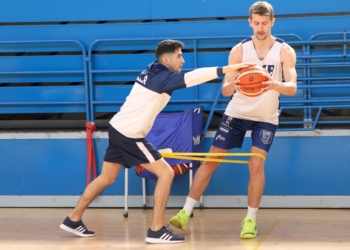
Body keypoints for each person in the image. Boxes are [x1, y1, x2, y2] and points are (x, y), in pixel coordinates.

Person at [59, 39, 253, 244]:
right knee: (166, 173)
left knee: (106, 178)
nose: (183, 60)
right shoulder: (161, 77)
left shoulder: (154, 70)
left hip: (118, 128)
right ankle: (156, 230)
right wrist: (227, 68)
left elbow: (185, 75)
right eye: (179, 56)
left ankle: (73, 219)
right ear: (167, 59)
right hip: (130, 134)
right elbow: (193, 77)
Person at [169, 1, 297, 239]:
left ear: (272, 22)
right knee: (210, 161)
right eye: (256, 23)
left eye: (264, 23)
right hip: (237, 113)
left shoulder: (284, 51)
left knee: (256, 165)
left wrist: (273, 84)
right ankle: (185, 212)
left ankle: (250, 220)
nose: (260, 28)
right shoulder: (239, 50)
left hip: (266, 118)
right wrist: (235, 84)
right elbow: (226, 90)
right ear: (250, 22)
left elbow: (292, 88)